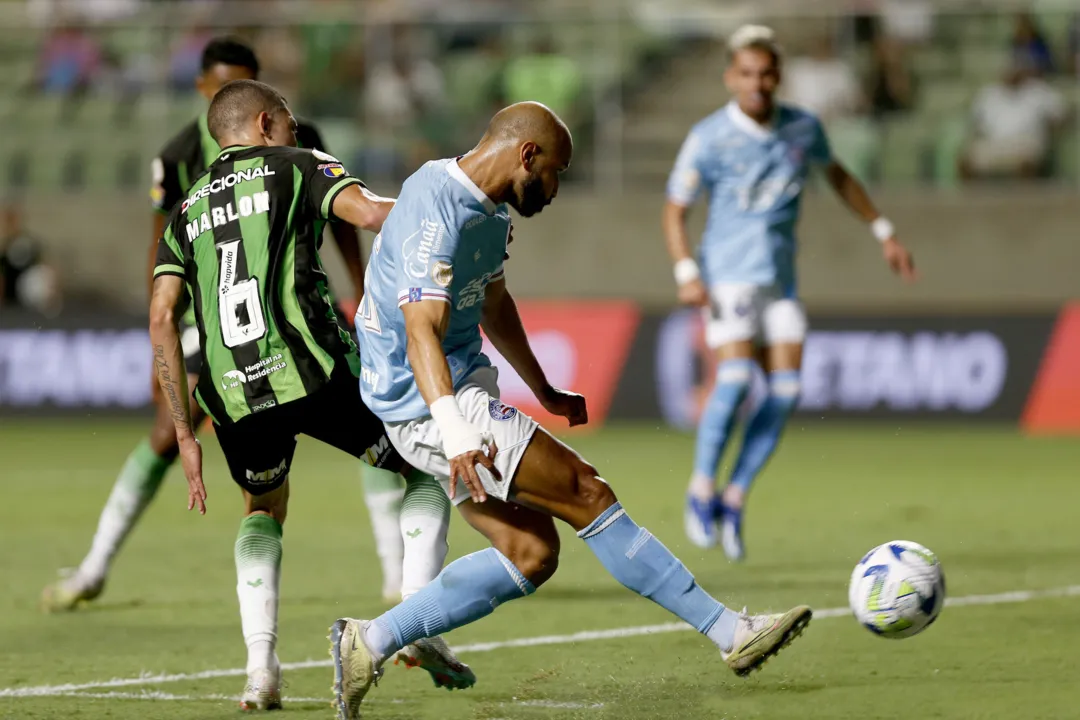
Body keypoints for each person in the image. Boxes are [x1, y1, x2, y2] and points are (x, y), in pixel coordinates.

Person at [326, 100, 814, 720]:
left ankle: (366, 642)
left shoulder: (491, 215)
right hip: (428, 405)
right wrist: (453, 432)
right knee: (587, 491)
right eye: (556, 172)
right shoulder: (434, 203)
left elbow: (493, 303)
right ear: (527, 155)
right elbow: (421, 328)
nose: (556, 188)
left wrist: (542, 386)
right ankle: (730, 634)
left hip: (448, 397)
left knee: (533, 555)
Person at [40, 37, 442, 614]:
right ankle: (94, 567)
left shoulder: (285, 148)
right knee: (380, 431)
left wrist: (358, 289)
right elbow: (161, 249)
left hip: (259, 321)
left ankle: (383, 573)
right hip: (223, 319)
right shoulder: (181, 155)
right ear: (212, 91)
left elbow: (340, 224)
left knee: (274, 475)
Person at [149, 79, 471, 710]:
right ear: (266, 122)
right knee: (427, 470)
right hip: (315, 368)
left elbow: (162, 315)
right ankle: (412, 624)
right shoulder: (296, 165)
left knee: (263, 509)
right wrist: (460, 198)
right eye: (291, 123)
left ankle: (260, 674)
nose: (297, 133)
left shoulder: (185, 210)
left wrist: (185, 434)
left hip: (232, 394)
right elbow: (377, 214)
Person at [662, 26, 916, 560]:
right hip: (729, 275)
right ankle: (701, 488)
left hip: (780, 281)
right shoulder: (709, 136)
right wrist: (687, 270)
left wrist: (884, 231)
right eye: (747, 73)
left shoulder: (802, 128)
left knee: (785, 392)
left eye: (766, 73)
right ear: (731, 77)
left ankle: (734, 497)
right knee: (732, 379)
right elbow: (674, 209)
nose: (757, 83)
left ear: (778, 76)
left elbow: (839, 175)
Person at [960, 58, 1067, 182]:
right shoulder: (989, 93)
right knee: (965, 161)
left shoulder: (1039, 90)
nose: (1012, 73)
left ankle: (1026, 200)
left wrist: (1051, 131)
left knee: (1027, 162)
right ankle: (974, 200)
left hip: (1026, 142)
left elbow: (1062, 116)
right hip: (994, 142)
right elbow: (974, 122)